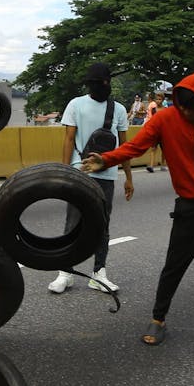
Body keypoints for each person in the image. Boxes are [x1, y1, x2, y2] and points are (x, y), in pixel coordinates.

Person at [81, 70, 194, 346]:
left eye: (192, 108)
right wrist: (106, 160)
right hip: (192, 208)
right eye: (181, 105)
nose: (185, 112)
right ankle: (158, 319)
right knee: (174, 266)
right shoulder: (165, 119)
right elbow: (135, 146)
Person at [48, 62, 134, 295]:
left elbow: (124, 146)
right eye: (93, 84)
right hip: (79, 172)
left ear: (108, 83)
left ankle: (99, 273)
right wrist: (65, 172)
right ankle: (65, 273)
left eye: (100, 83)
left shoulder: (117, 109)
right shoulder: (76, 104)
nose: (97, 87)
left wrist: (128, 176)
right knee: (73, 223)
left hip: (106, 174)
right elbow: (68, 139)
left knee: (102, 224)